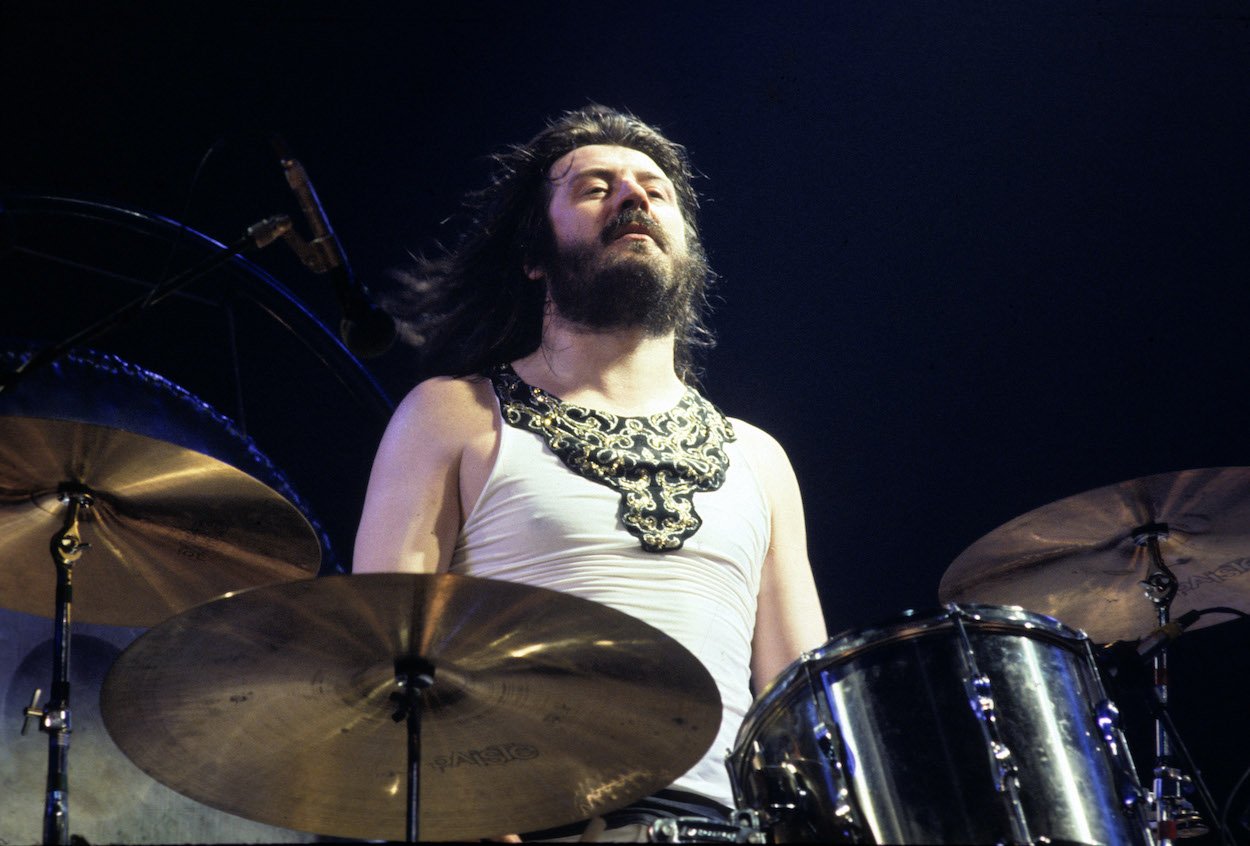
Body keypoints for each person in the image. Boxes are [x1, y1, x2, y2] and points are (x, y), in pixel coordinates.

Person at [353, 105, 827, 841]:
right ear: (533, 254)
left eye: (654, 189)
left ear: (689, 249)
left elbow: (804, 710)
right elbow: (383, 658)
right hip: (526, 817)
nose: (632, 198)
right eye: (595, 188)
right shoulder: (454, 416)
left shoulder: (758, 458)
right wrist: (459, 813)